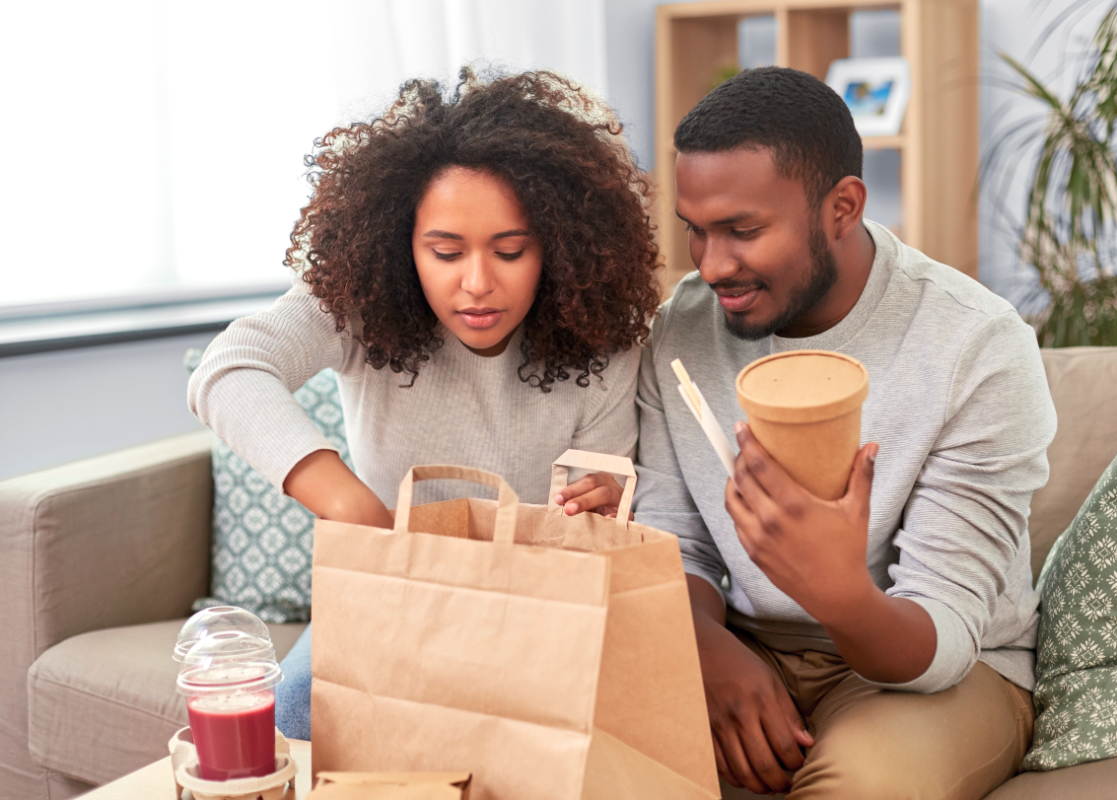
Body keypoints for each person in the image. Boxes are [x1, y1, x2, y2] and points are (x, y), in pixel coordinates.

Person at [188, 69, 660, 740]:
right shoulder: (359, 306)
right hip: (390, 594)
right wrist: (349, 504)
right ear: (401, 244)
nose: (476, 284)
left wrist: (605, 501)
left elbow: (596, 518)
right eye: (444, 251)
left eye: (510, 250)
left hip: (535, 604)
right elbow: (227, 370)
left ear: (556, 245)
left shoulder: (605, 342)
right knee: (298, 709)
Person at [632, 67, 1056, 799]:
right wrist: (710, 652)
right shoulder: (683, 326)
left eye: (743, 230)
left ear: (843, 206)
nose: (710, 264)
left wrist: (837, 591)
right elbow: (671, 538)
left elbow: (946, 636)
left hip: (935, 669)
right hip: (743, 643)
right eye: (695, 231)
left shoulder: (976, 346)